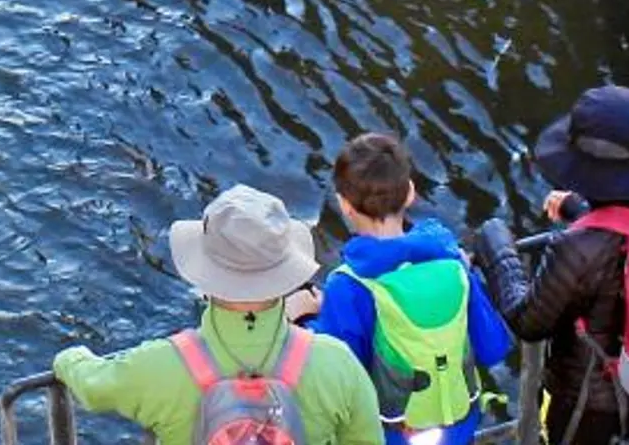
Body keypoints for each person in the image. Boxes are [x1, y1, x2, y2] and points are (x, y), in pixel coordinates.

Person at [53, 184, 384, 445]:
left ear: (204, 276)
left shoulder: (158, 366)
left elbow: (92, 388)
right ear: (284, 274)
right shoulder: (337, 364)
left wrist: (69, 359)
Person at [470, 85, 629, 445]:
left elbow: (527, 320)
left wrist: (495, 245)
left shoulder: (576, 250)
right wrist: (581, 211)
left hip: (590, 409)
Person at [305, 134, 513, 445]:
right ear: (411, 193)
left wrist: (305, 323)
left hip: (387, 436)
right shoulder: (453, 263)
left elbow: (336, 379)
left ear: (344, 205)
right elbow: (493, 346)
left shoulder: (347, 286)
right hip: (457, 427)